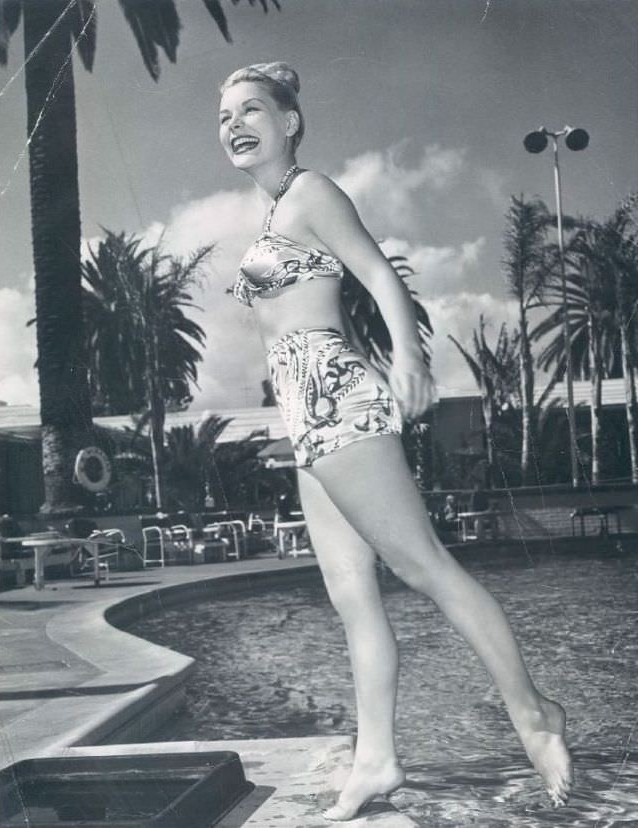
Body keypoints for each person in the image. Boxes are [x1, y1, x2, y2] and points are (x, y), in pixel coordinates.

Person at [218, 62, 573, 820]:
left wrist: (412, 360)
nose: (235, 126)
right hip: (306, 417)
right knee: (352, 599)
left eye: (252, 110)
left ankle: (535, 714)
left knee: (426, 567)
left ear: (291, 122)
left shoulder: (312, 193)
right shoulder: (275, 213)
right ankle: (375, 759)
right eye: (224, 117)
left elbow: (379, 275)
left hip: (338, 399)